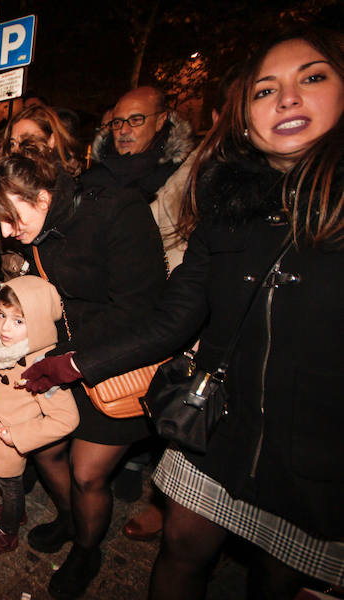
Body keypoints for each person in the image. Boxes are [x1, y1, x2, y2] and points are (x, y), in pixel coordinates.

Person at [21, 29, 344, 599]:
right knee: (181, 552)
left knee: (275, 583)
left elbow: (136, 298)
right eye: (266, 90)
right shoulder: (225, 205)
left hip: (317, 446)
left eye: (312, 78)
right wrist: (76, 362)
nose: (288, 99)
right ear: (244, 115)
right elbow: (174, 317)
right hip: (218, 420)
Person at [0, 142, 165, 598]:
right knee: (45, 449)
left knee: (87, 472)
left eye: (11, 218)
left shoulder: (118, 212)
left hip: (117, 363)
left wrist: (73, 358)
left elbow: (141, 313)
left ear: (42, 197)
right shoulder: (42, 231)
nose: (6, 231)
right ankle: (69, 518)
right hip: (63, 357)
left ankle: (87, 549)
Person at [0, 276, 79, 555]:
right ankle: (15, 512)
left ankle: (7, 534)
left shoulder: (43, 366)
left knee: (10, 484)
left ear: (40, 323)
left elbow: (66, 418)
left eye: (18, 321)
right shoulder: (2, 345)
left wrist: (19, 436)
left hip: (9, 439)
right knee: (5, 483)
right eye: (1, 315)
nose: (5, 327)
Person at [83, 86, 195, 270]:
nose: (124, 130)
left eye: (136, 120)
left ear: (160, 121)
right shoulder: (94, 177)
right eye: (117, 122)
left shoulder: (183, 176)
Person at [0, 104, 84, 176]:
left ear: (52, 141)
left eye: (27, 140)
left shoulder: (59, 186)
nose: (16, 150)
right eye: (12, 143)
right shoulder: (11, 177)